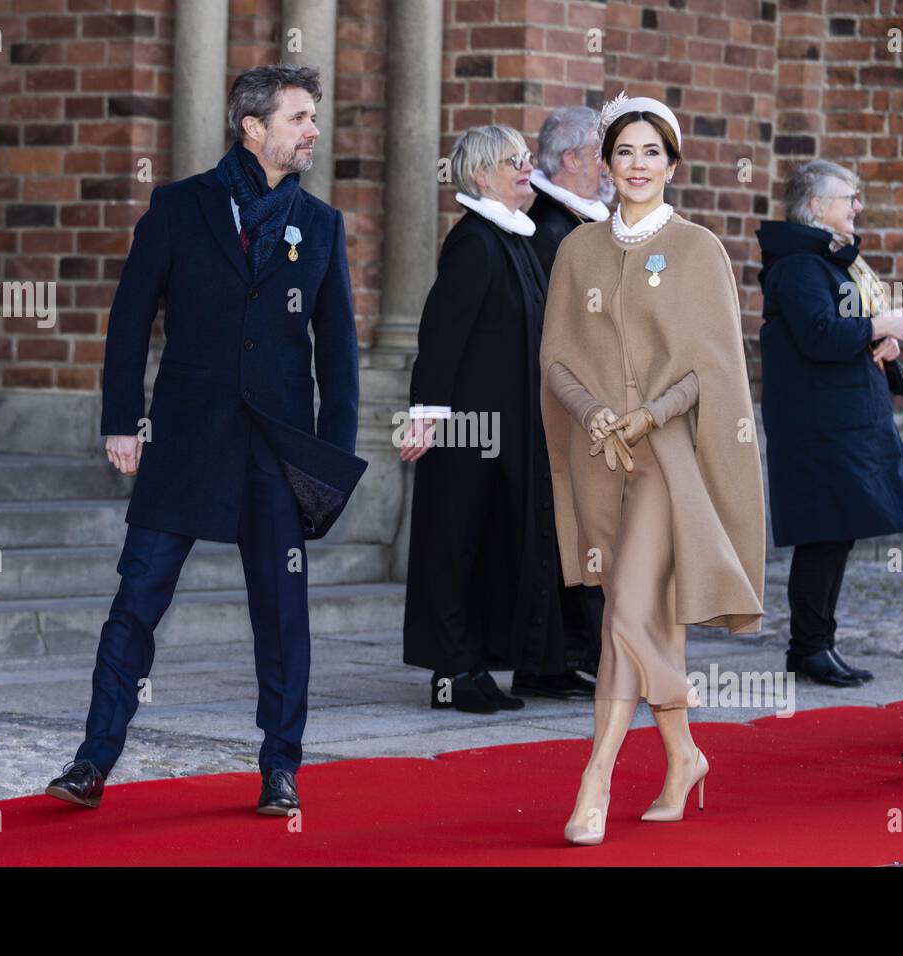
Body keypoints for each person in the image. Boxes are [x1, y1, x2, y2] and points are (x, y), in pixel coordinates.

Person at [45, 65, 364, 815]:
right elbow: (129, 320)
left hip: (278, 454)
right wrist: (121, 419)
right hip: (186, 442)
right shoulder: (179, 206)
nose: (313, 129)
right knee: (137, 601)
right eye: (299, 118)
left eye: (313, 116)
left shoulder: (320, 225)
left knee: (283, 616)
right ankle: (93, 761)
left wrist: (331, 462)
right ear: (253, 127)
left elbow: (340, 355)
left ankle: (280, 767)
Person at [540, 94, 765, 846]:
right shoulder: (577, 251)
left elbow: (715, 370)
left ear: (672, 163)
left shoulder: (700, 249)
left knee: (624, 614)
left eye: (651, 153)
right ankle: (683, 756)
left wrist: (652, 412)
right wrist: (595, 410)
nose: (638, 166)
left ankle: (593, 781)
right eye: (625, 153)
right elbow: (556, 360)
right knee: (646, 618)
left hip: (670, 458)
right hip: (601, 453)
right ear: (605, 164)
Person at [399, 125, 565, 714]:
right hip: (467, 431)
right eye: (511, 161)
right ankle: (454, 672)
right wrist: (426, 413)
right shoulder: (474, 241)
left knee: (491, 544)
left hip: (509, 429)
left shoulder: (515, 239)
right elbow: (442, 334)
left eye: (525, 158)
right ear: (478, 175)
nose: (526, 167)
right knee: (457, 545)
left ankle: (480, 661)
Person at [756, 160, 903, 688]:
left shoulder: (822, 262)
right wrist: (879, 322)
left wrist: (878, 337)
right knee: (824, 535)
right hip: (820, 431)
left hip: (838, 425)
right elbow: (818, 334)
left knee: (835, 535)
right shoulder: (799, 266)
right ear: (815, 206)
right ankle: (808, 647)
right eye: (848, 197)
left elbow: (839, 332)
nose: (857, 206)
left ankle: (818, 644)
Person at [516, 105, 613, 701]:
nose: (613, 167)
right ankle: (552, 658)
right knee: (565, 534)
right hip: (568, 404)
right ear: (572, 159)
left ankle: (570, 654)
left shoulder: (576, 223)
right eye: (604, 154)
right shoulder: (553, 228)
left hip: (587, 401)